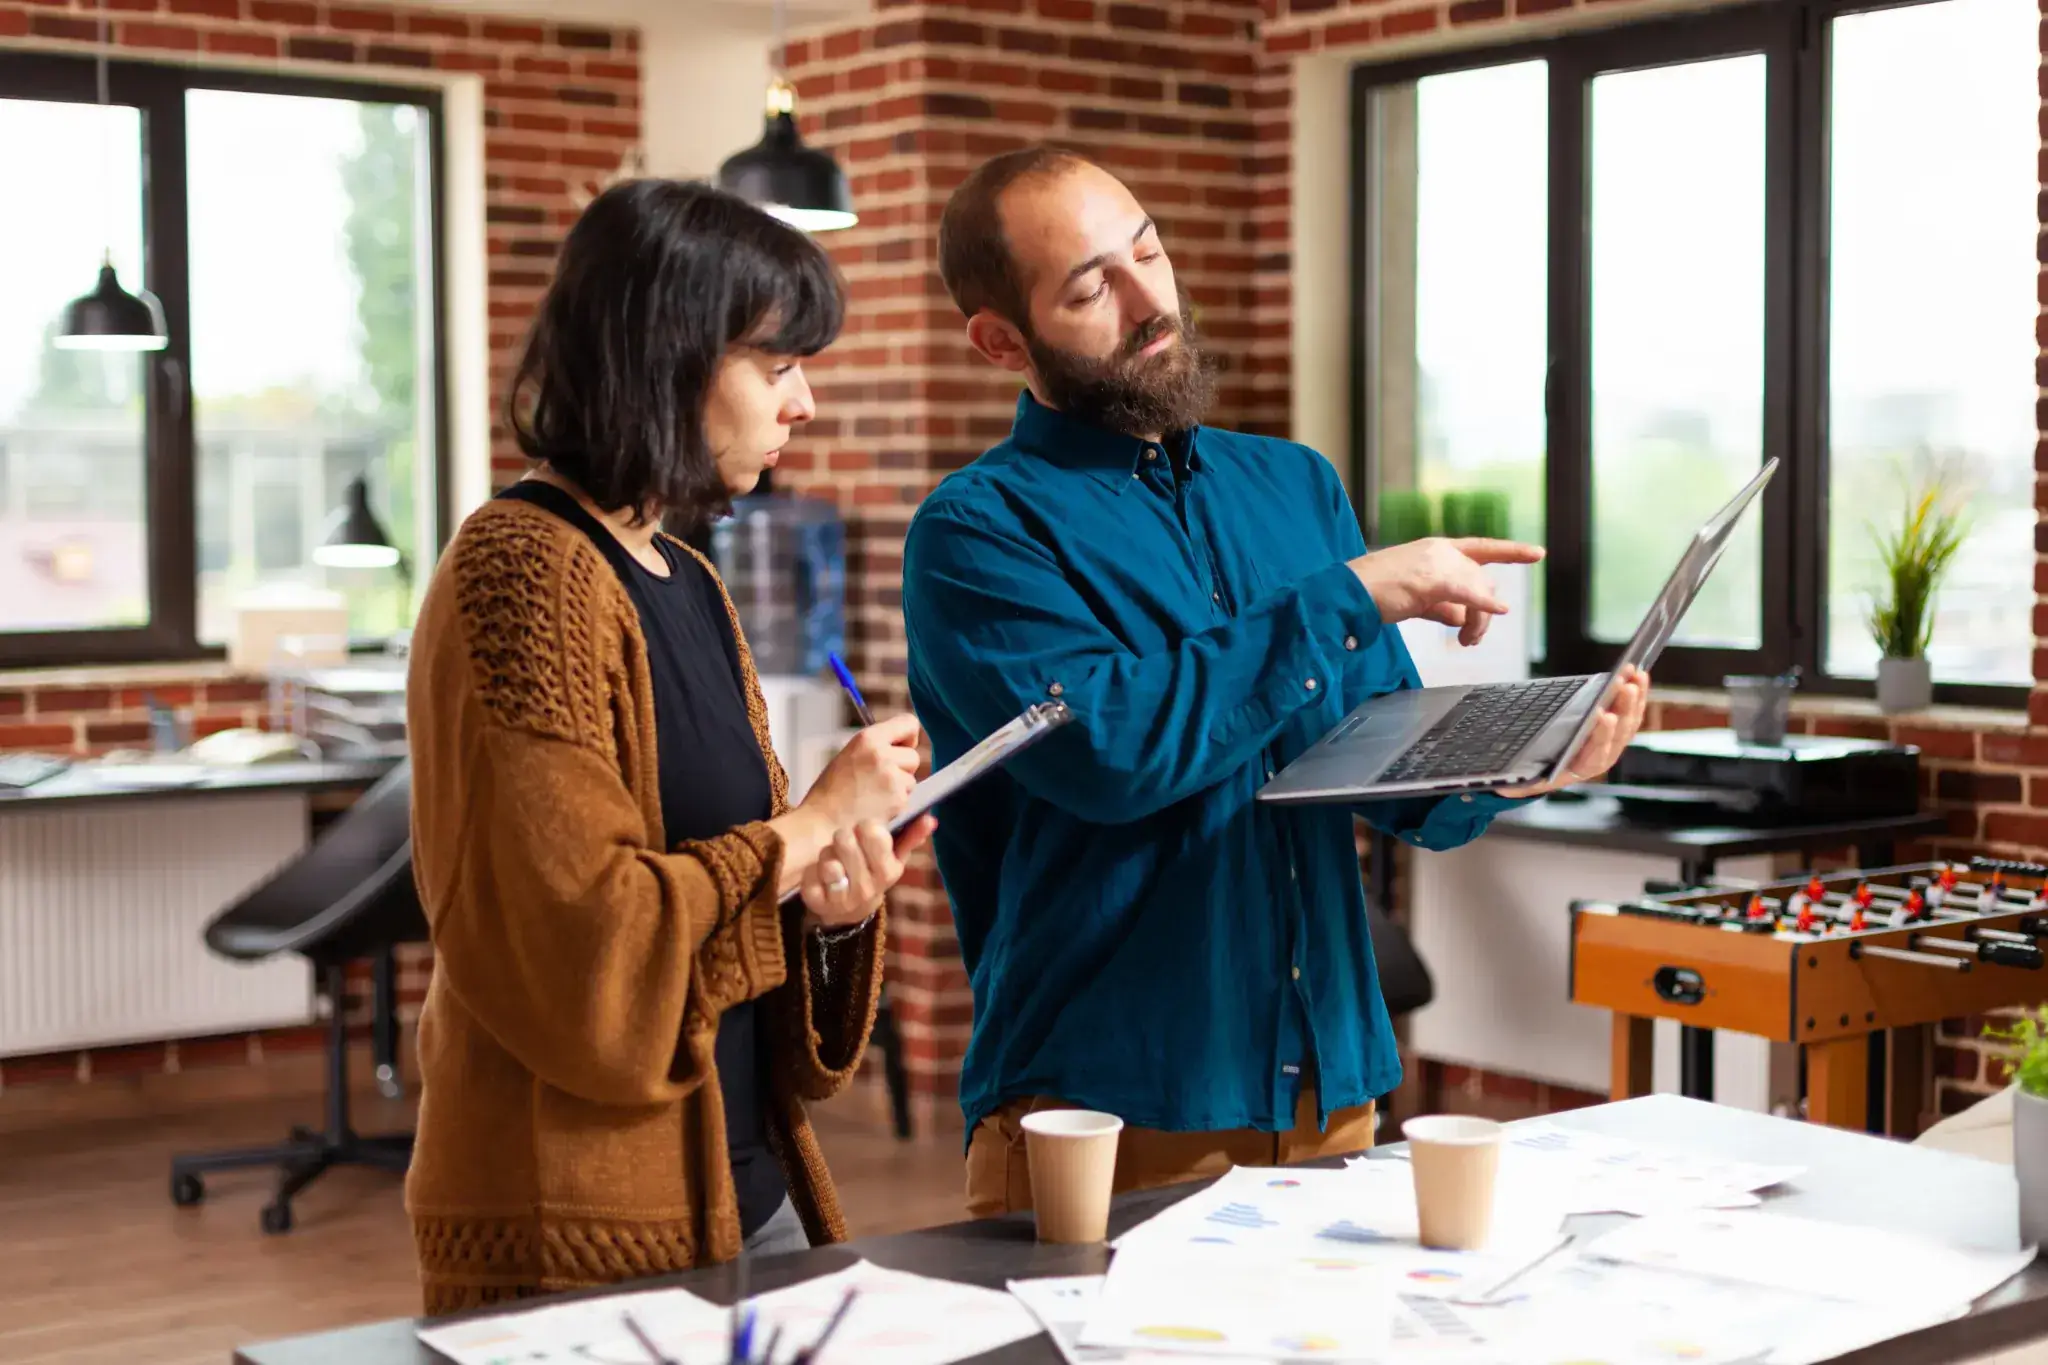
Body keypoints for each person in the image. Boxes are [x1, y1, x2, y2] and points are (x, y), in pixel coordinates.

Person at [901, 146, 1649, 1217]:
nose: (1146, 298)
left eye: (1147, 250)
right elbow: (1110, 753)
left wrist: (1524, 761)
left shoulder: (1293, 485)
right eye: (1087, 286)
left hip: (1333, 1092)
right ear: (997, 339)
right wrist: (1346, 597)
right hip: (1104, 1112)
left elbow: (1375, 751)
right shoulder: (976, 531)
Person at [403, 179, 935, 1313]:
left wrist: (828, 905)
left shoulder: (685, 575)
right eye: (778, 364)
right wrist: (804, 825)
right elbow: (580, 939)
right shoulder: (522, 570)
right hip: (578, 1217)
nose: (803, 404)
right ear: (669, 355)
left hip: (742, 1183)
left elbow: (723, 906)